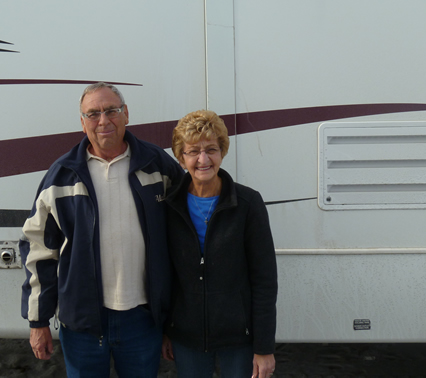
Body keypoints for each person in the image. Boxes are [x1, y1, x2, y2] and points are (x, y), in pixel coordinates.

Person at [20, 82, 184, 377]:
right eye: (93, 114)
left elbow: (183, 240)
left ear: (127, 114)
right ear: (82, 123)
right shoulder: (61, 176)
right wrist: (37, 321)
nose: (103, 121)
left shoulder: (158, 166)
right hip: (83, 322)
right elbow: (39, 252)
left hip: (143, 319)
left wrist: (174, 318)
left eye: (111, 110)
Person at [161, 110, 278, 378]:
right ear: (181, 158)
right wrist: (167, 329)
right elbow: (165, 276)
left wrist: (264, 347)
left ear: (222, 152)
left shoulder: (248, 204)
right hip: (186, 338)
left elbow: (264, 280)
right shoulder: (169, 206)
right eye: (193, 152)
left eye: (211, 149)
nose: (203, 159)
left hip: (239, 338)